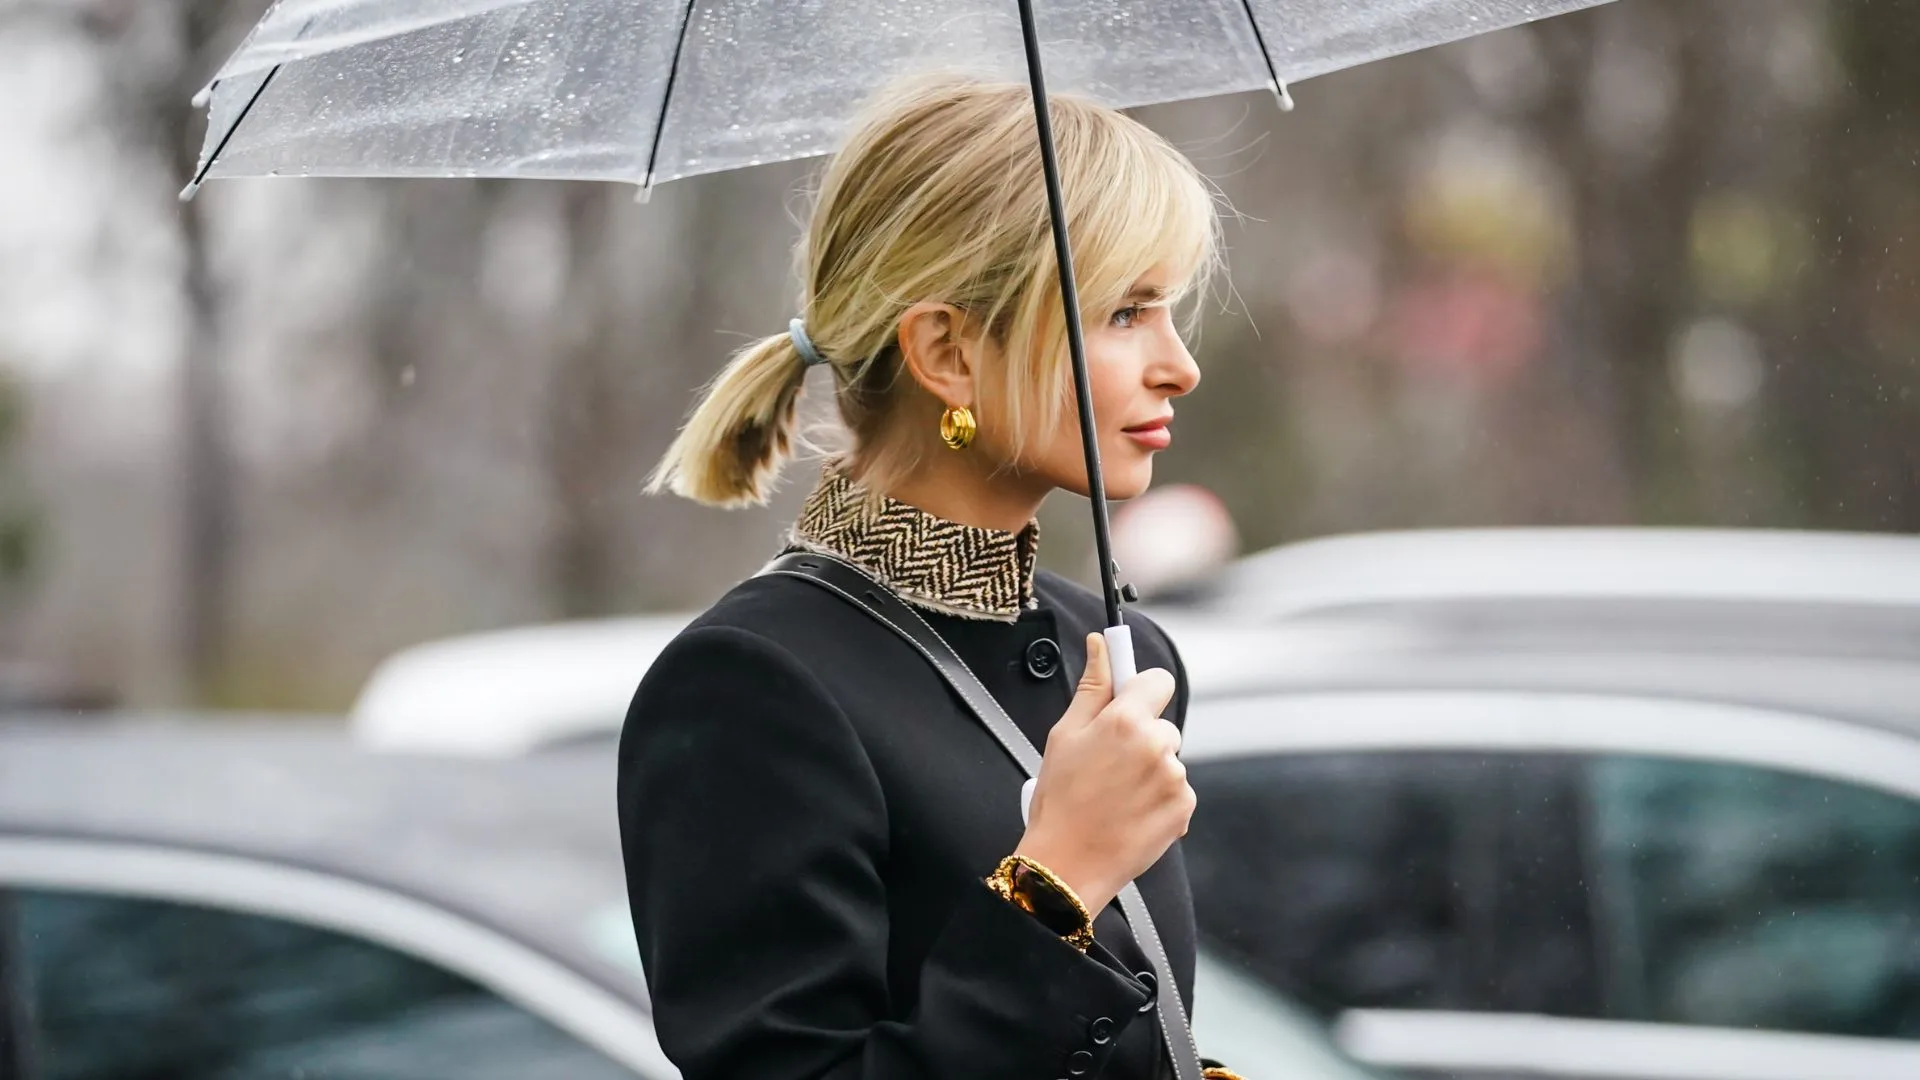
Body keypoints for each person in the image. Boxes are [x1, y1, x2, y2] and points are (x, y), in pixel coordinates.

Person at [619, 73, 1241, 1080]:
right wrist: (1055, 880)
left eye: (1166, 310)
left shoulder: (1123, 656)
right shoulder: (752, 688)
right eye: (1125, 313)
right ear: (947, 353)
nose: (1179, 364)